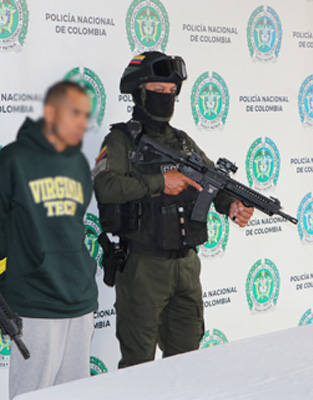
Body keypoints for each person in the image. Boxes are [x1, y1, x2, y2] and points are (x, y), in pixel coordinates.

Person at [93, 51, 254, 368]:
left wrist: (231, 205)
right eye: (158, 90)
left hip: (187, 266)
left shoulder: (182, 141)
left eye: (171, 92)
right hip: (144, 266)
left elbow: (213, 182)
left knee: (187, 361)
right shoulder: (121, 140)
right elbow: (105, 186)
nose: (166, 97)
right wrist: (159, 182)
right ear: (139, 92)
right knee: (139, 364)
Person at [0, 81, 99, 399]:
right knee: (32, 393)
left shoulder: (78, 163)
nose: (82, 123)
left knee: (76, 392)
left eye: (85, 115)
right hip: (35, 301)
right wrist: (1, 287)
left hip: (81, 299)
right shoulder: (11, 161)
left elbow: (73, 226)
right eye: (74, 113)